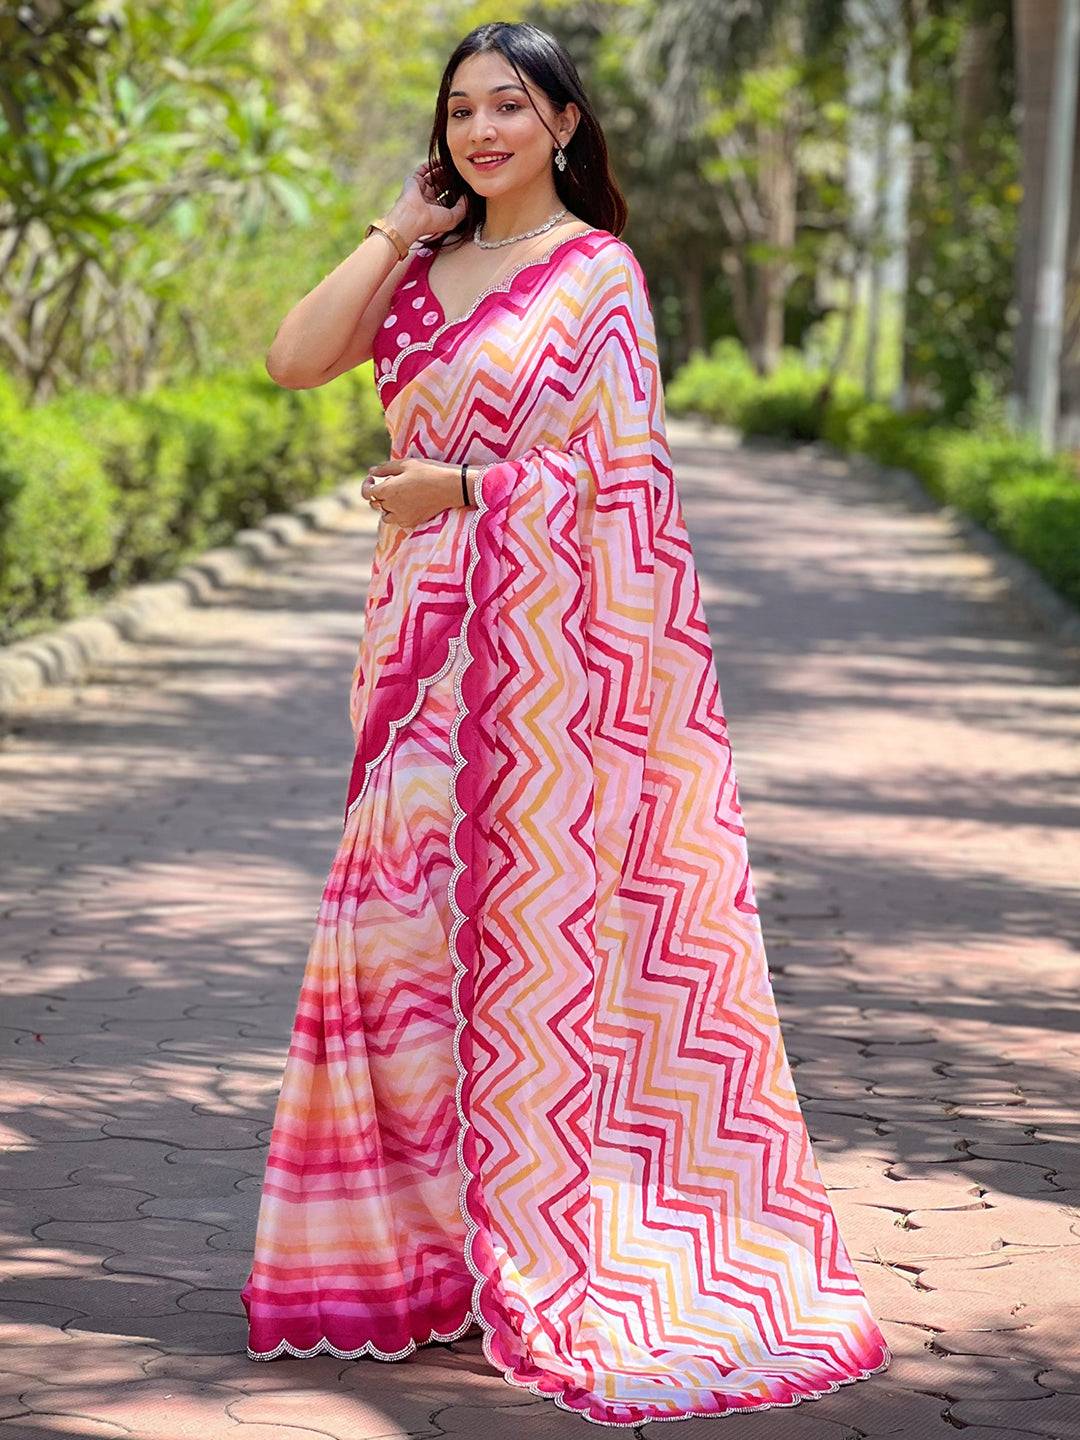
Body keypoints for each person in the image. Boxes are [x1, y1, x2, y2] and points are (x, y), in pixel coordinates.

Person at [240, 20, 892, 1427]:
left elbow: (626, 482)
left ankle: (545, 1239)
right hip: (418, 654)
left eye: (513, 107)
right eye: (463, 109)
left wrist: (469, 495)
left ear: (566, 126)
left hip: (546, 683)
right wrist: (393, 229)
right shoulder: (419, 271)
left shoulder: (597, 275)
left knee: (528, 942)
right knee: (395, 928)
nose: (484, 131)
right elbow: (297, 359)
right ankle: (403, 1262)